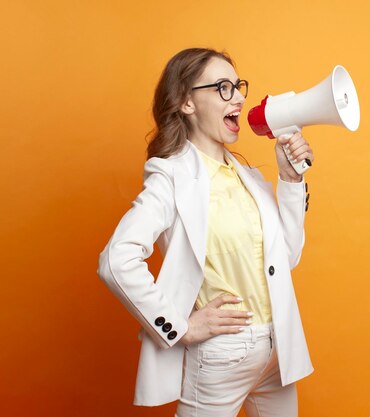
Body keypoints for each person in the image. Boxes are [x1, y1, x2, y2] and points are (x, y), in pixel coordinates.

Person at [97, 47, 314, 417]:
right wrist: (179, 327)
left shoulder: (250, 178)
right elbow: (116, 260)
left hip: (278, 351)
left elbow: (288, 256)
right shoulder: (170, 177)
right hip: (222, 356)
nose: (240, 97)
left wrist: (291, 180)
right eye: (223, 87)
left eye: (238, 86)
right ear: (186, 103)